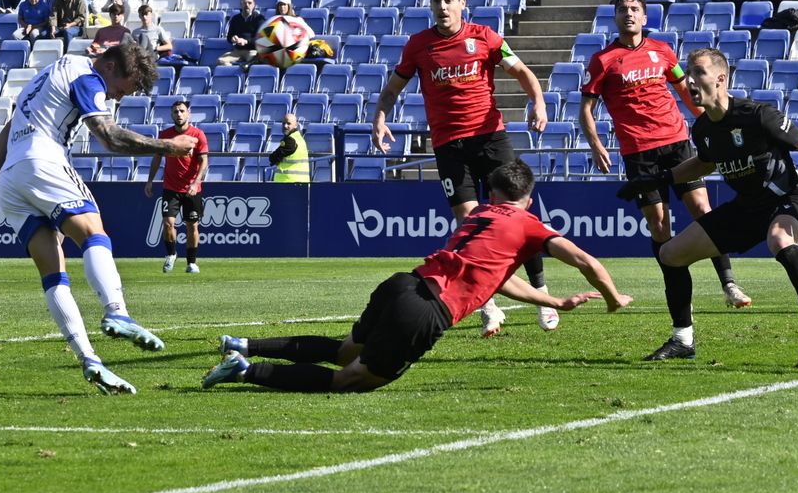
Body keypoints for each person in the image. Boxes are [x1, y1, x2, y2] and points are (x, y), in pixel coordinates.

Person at [204, 160, 631, 392]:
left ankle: (243, 343)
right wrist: (613, 298)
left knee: (343, 351)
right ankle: (244, 370)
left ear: (493, 195)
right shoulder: (529, 224)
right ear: (529, 198)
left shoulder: (480, 213)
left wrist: (554, 303)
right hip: (426, 311)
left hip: (401, 285)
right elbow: (586, 262)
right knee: (353, 379)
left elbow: (495, 280)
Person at [0, 41, 197, 394]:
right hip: (44, 161)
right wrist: (169, 147)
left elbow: (11, 126)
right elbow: (111, 138)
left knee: (53, 272)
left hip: (12, 180)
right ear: (110, 67)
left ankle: (89, 359)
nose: (117, 98)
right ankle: (116, 310)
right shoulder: (89, 78)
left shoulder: (53, 70)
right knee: (93, 233)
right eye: (122, 88)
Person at [371, 0, 551, 336]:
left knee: (515, 218)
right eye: (436, 0)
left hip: (490, 137)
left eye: (448, 0)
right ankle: (488, 305)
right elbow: (392, 89)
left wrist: (538, 102)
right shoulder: (419, 45)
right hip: (449, 145)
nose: (442, 7)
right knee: (471, 225)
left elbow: (523, 73)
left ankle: (541, 292)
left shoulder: (484, 37)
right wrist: (379, 117)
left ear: (462, 3)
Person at [644, 48, 798, 369]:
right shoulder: (703, 129)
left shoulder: (758, 115)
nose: (690, 81)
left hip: (789, 199)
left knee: (780, 240)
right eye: (688, 73)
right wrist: (660, 178)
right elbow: (702, 164)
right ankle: (683, 339)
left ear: (721, 79)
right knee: (670, 254)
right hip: (746, 208)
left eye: (698, 73)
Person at [581, 0, 750, 318]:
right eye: (622, 9)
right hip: (639, 153)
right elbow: (586, 107)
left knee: (703, 209)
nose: (628, 13)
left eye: (634, 9)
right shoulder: (603, 61)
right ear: (615, 17)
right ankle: (678, 293)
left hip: (677, 144)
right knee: (660, 226)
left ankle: (729, 284)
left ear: (644, 17)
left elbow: (686, 91)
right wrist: (596, 143)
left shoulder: (663, 52)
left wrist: (710, 124)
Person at [145, 98, 208, 274]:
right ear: (172, 115)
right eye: (176, 112)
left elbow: (204, 161)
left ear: (188, 113)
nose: (179, 114)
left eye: (182, 111)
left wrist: (196, 182)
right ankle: (171, 254)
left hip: (191, 189)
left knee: (192, 226)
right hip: (171, 188)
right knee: (167, 223)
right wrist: (150, 180)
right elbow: (157, 157)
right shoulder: (165, 135)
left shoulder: (198, 135)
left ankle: (192, 262)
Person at [219, 0, 263, 65]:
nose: (247, 5)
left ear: (254, 5)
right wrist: (233, 39)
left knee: (255, 61)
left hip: (252, 51)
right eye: (244, 3)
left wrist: (246, 41)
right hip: (237, 51)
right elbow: (229, 37)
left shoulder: (259, 19)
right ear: (241, 4)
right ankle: (233, 75)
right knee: (221, 60)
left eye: (249, 3)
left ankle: (244, 75)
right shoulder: (235, 19)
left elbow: (260, 39)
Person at [268, 110, 308, 182]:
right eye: (283, 123)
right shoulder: (299, 138)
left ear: (296, 125)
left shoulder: (290, 140)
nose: (285, 126)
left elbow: (273, 158)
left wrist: (273, 157)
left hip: (288, 182)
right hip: (301, 182)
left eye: (288, 123)